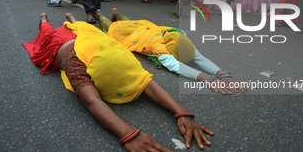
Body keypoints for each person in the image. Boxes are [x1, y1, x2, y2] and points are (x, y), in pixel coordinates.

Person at [22, 12, 214, 152]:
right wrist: (129, 134)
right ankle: (44, 19)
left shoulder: (122, 55)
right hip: (62, 45)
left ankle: (72, 20)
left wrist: (182, 113)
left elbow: (148, 83)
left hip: (91, 37)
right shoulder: (75, 63)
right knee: (47, 32)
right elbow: (92, 101)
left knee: (83, 26)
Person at [98, 8, 247, 95]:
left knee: (132, 22)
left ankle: (117, 14)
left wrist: (221, 73)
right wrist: (206, 78)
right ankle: (100, 15)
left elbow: (198, 57)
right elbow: (174, 65)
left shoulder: (179, 34)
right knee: (111, 28)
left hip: (145, 26)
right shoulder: (157, 46)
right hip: (135, 35)